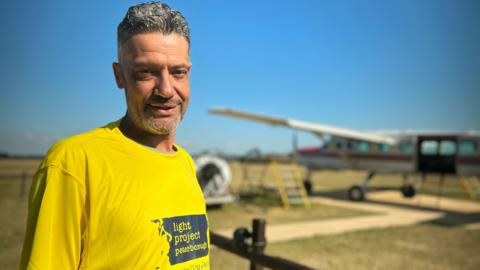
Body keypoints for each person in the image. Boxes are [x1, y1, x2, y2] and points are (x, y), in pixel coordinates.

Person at [20, 2, 210, 269]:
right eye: (146, 71)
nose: (167, 89)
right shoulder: (73, 162)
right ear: (119, 75)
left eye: (178, 72)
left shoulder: (186, 164)